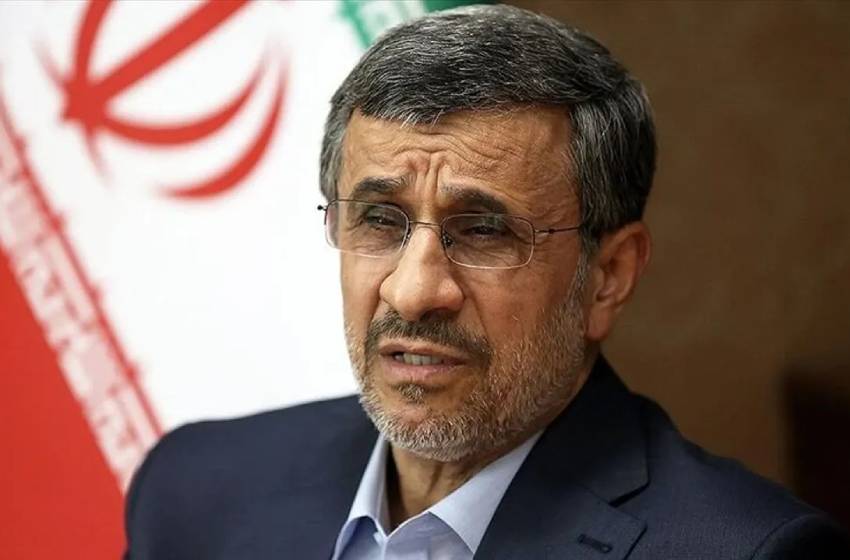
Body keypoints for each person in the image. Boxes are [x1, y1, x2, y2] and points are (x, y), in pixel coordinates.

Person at [123, 5, 850, 559]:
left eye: (483, 231)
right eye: (379, 220)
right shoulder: (194, 494)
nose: (413, 293)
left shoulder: (747, 551)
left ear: (608, 276)